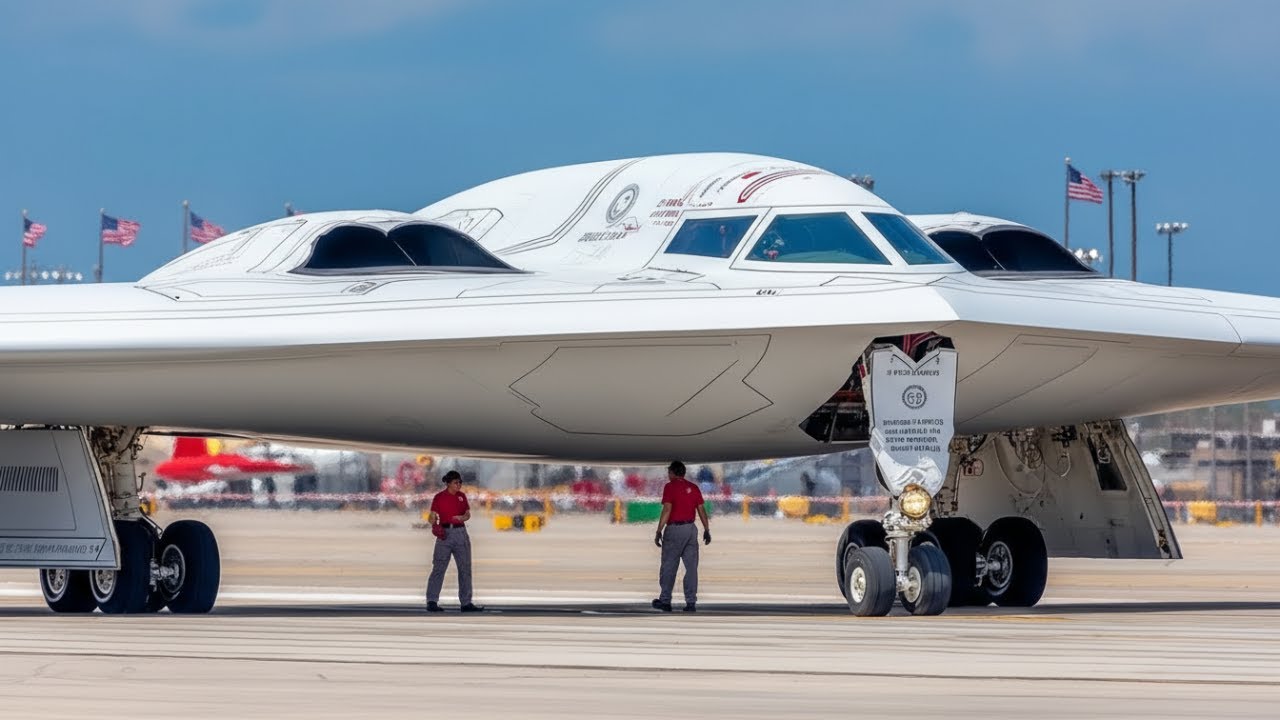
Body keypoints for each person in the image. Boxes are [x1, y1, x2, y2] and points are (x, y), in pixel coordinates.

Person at [652, 460, 711, 613]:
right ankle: (690, 602)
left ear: (673, 473)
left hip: (675, 529)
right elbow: (701, 510)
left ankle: (665, 601)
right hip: (691, 529)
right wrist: (706, 529)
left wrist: (659, 530)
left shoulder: (670, 487)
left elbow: (667, 510)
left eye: (669, 472)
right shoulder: (693, 487)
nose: (668, 475)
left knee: (669, 566)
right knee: (691, 568)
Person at [425, 470, 483, 613]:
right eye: (456, 482)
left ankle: (466, 602)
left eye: (460, 482)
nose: (459, 485)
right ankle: (432, 601)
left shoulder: (461, 497)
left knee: (465, 569)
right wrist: (433, 523)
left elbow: (467, 513)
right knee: (438, 568)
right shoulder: (439, 497)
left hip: (460, 532)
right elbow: (432, 515)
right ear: (449, 483)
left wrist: (462, 518)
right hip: (445, 533)